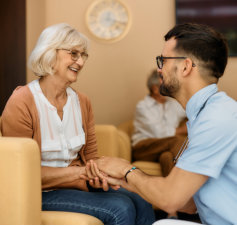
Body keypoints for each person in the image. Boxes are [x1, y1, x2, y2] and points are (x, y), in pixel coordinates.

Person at [0, 23, 155, 225]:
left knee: (142, 198)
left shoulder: (82, 102)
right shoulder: (22, 100)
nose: (80, 62)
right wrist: (80, 172)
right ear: (49, 53)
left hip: (76, 186)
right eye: (74, 54)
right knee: (120, 208)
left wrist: (100, 175)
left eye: (83, 55)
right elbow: (19, 171)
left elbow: (91, 159)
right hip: (38, 192)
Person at [89, 23, 237, 225]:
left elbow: (171, 199)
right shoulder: (207, 113)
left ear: (185, 66)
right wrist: (122, 180)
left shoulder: (217, 118)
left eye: (163, 61)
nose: (159, 69)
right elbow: (189, 204)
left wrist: (126, 169)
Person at [132, 69, 187, 178]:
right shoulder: (143, 106)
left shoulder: (173, 104)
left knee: (166, 157)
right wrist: (183, 130)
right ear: (155, 89)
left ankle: (174, 192)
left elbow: (193, 111)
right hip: (144, 147)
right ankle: (191, 175)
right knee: (177, 140)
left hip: (165, 147)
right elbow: (159, 133)